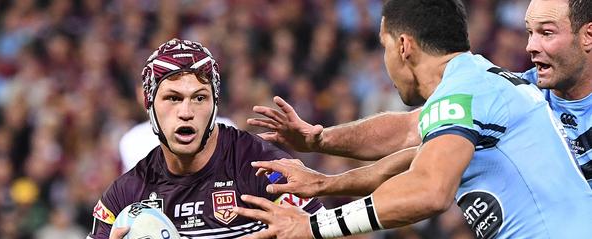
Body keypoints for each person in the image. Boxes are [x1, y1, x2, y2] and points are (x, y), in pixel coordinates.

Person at [235, 0, 592, 239]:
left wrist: (314, 226)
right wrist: (322, 158)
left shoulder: (468, 91)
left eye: (384, 45)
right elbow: (407, 136)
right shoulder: (478, 84)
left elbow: (429, 191)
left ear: (403, 45)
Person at [63, 39, 352, 239]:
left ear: (214, 104)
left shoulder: (261, 169)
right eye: (172, 98)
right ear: (150, 106)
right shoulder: (129, 190)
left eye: (198, 98)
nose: (186, 112)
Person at [249, 0, 592, 188]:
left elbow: (429, 189)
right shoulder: (519, 92)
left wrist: (321, 220)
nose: (530, 47)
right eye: (529, 33)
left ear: (587, 36)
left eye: (546, 33)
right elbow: (411, 130)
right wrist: (319, 140)